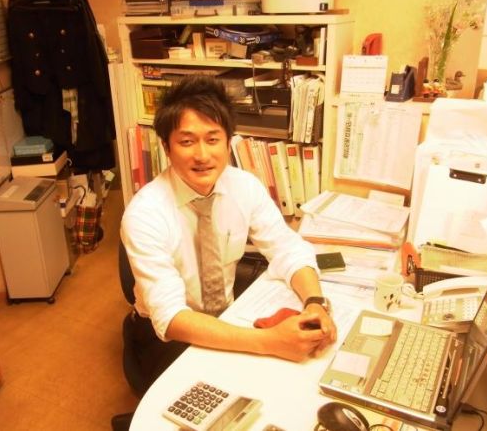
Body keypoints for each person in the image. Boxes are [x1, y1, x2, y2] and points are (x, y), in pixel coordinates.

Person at [120, 76, 337, 393]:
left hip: (229, 315)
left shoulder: (243, 186)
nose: (202, 155)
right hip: (164, 336)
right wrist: (268, 342)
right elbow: (171, 318)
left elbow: (287, 248)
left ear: (228, 142)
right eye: (187, 142)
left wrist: (315, 303)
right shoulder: (145, 214)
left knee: (296, 379)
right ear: (166, 147)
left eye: (212, 139)